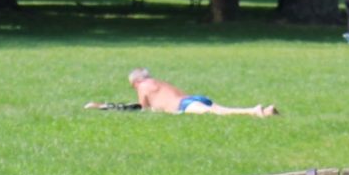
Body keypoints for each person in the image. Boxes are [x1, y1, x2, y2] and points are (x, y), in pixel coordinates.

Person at [87, 68, 276, 117]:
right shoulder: (159, 83)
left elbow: (144, 108)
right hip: (192, 99)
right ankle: (265, 112)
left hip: (183, 106)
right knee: (220, 109)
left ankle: (254, 111)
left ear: (136, 81)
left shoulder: (143, 86)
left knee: (220, 113)